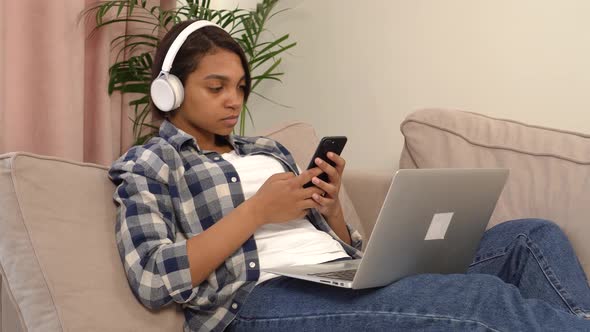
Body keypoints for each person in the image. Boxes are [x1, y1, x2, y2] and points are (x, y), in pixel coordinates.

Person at [108, 19, 590, 332]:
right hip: (263, 299)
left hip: (340, 275)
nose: (234, 100)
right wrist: (257, 211)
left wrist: (331, 208)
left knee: (533, 236)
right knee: (481, 299)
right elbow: (153, 277)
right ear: (169, 91)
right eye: (216, 87)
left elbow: (344, 249)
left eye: (239, 87)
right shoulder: (152, 162)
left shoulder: (269, 150)